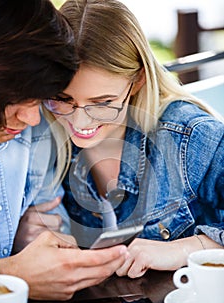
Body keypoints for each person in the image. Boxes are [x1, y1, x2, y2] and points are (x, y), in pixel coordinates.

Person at [43, 0, 224, 277]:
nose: (79, 123)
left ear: (137, 80)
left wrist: (189, 248)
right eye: (63, 99)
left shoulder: (192, 137)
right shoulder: (43, 135)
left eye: (103, 102)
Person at [0, 0, 129, 300]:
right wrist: (7, 274)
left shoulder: (33, 132)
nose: (33, 118)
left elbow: (51, 219)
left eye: (38, 101)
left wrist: (36, 242)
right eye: (15, 100)